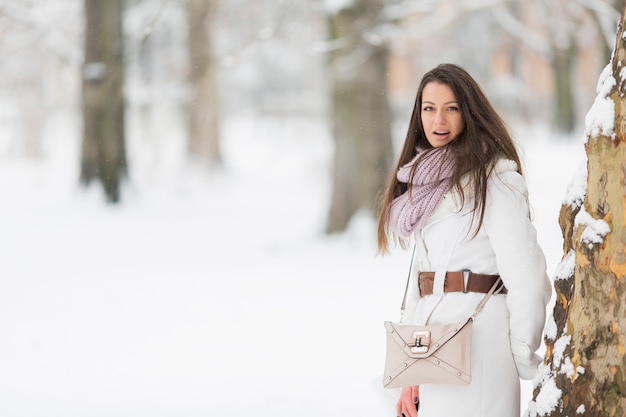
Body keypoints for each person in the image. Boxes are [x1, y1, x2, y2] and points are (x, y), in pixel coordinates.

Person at [376, 63, 552, 417]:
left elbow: (527, 275)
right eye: (429, 108)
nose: (438, 120)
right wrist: (411, 365)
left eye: (451, 108)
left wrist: (521, 352)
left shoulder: (495, 179)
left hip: (480, 346)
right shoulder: (423, 186)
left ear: (469, 112)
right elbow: (420, 282)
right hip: (433, 348)